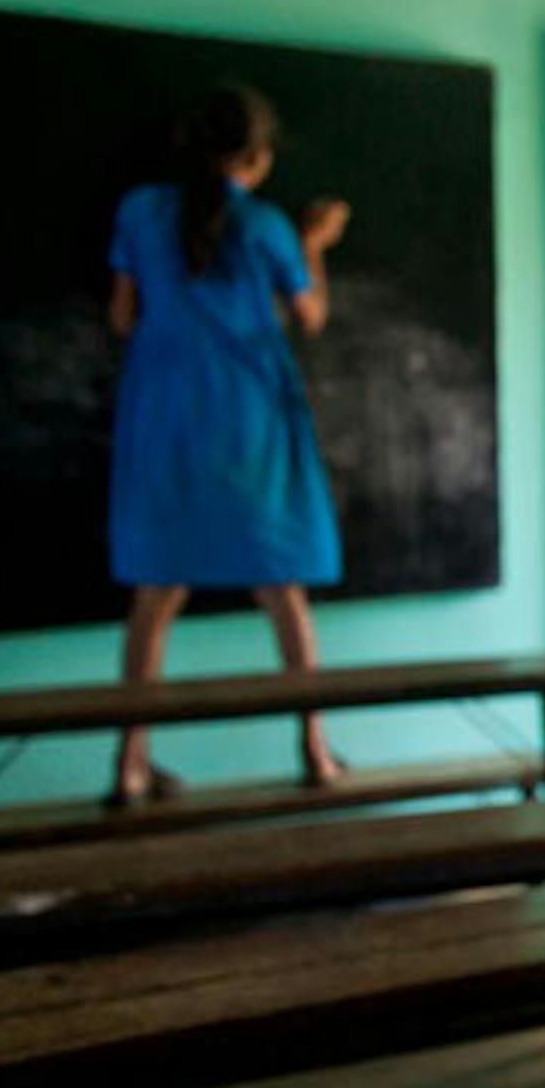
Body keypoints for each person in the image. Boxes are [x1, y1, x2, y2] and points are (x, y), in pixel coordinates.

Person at [105, 82, 349, 805]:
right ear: (255, 156)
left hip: (165, 412)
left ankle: (129, 761)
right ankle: (315, 748)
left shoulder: (141, 211)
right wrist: (314, 244)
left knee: (156, 590)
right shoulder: (269, 227)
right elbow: (310, 314)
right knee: (281, 588)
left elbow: (122, 317)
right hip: (249, 418)